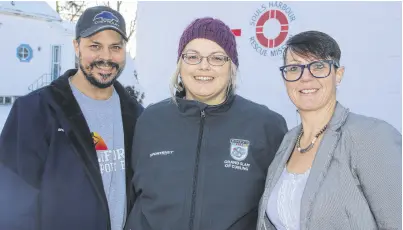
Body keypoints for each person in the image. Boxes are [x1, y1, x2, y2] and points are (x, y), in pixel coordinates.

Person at [123, 17, 288, 230]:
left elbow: (281, 210)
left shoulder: (266, 126)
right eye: (192, 57)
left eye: (217, 58)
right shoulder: (149, 121)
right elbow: (131, 197)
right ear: (180, 64)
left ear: (232, 67)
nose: (204, 66)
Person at [0, 6, 144, 230]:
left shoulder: (136, 116)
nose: (106, 57)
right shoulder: (35, 112)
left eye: (115, 47)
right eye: (94, 46)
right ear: (77, 46)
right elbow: (11, 208)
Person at [256, 31, 402, 230]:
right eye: (294, 68)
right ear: (285, 78)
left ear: (338, 74)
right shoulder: (287, 142)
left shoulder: (372, 136)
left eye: (318, 66)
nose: (305, 77)